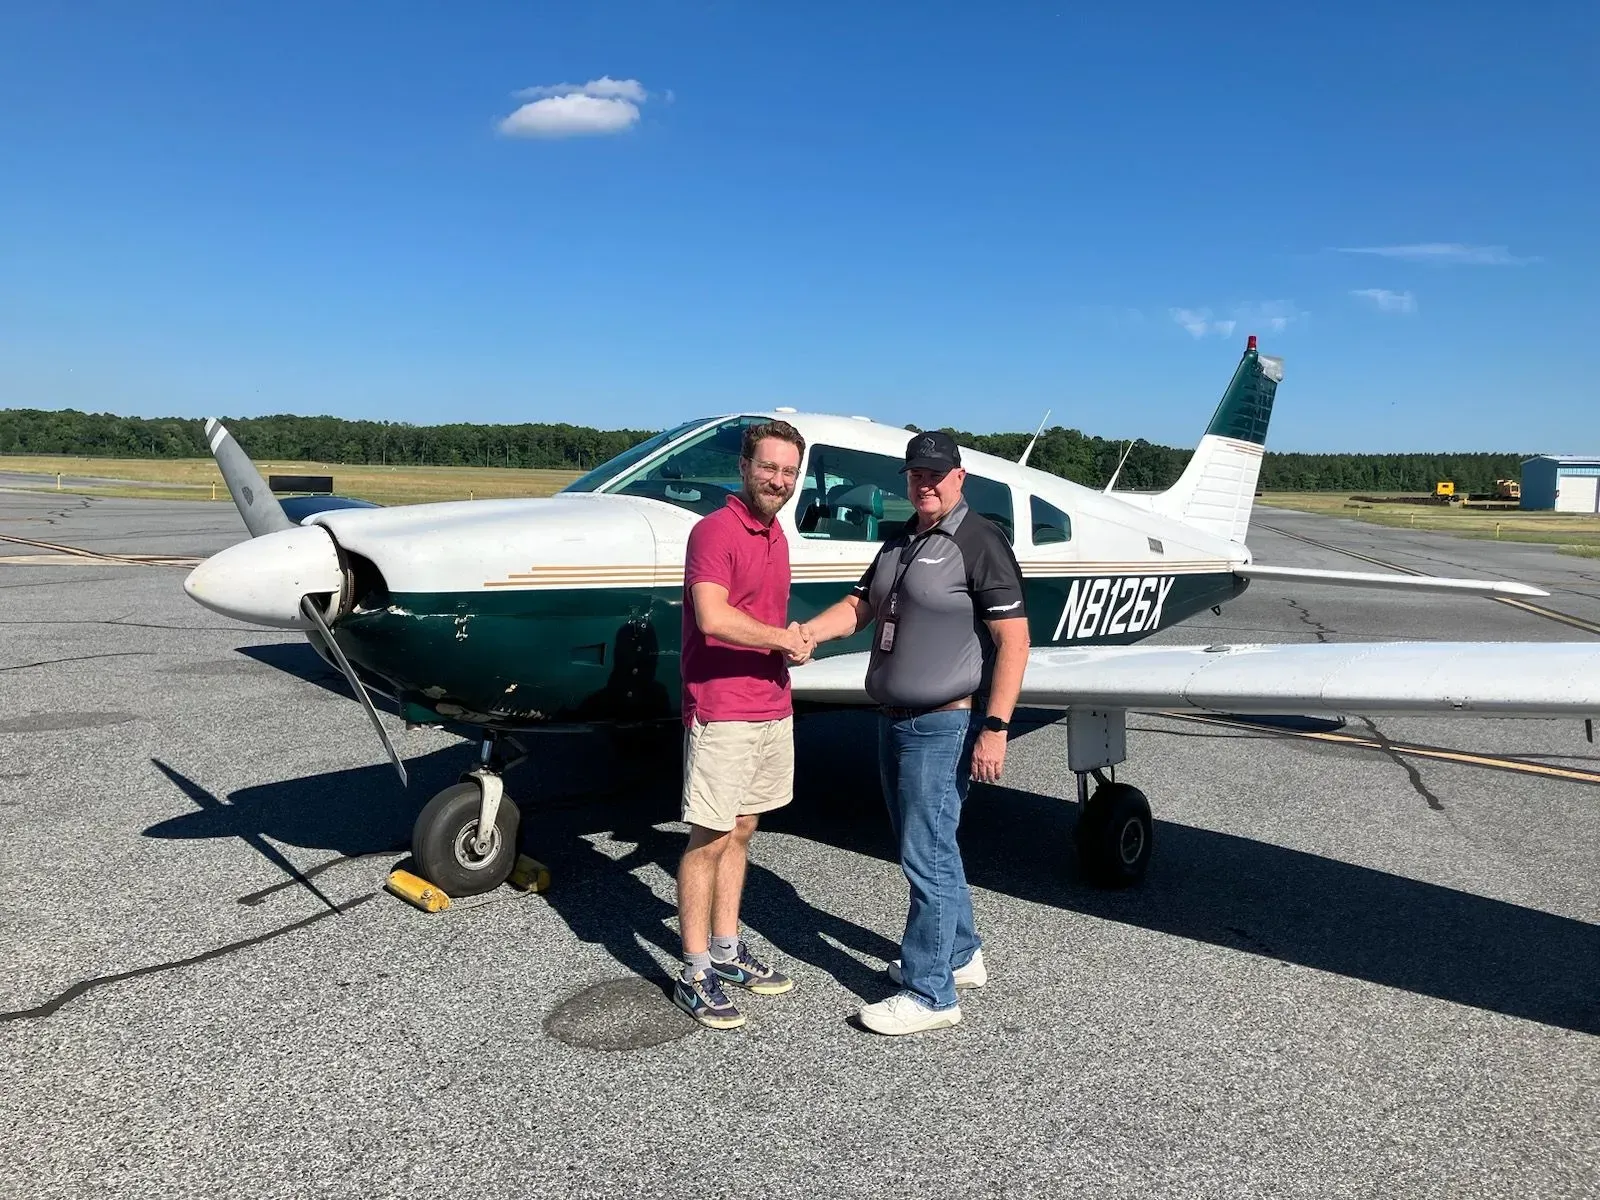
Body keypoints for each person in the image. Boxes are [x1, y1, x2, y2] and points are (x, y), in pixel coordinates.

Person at [801, 429, 1029, 1035]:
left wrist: (997, 726)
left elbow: (1013, 641)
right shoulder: (901, 538)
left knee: (922, 852)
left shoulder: (978, 540)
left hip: (944, 722)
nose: (924, 484)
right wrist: (807, 635)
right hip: (894, 718)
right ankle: (960, 954)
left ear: (959, 478)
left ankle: (932, 995)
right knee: (930, 843)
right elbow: (861, 606)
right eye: (914, 475)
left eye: (935, 474)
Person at [672, 419, 816, 1030]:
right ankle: (694, 968)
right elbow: (711, 617)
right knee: (707, 837)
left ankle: (728, 952)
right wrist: (784, 639)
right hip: (722, 708)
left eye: (788, 472)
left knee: (743, 830)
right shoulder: (714, 531)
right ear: (744, 467)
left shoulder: (777, 534)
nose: (777, 481)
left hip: (770, 705)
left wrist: (786, 647)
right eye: (768, 468)